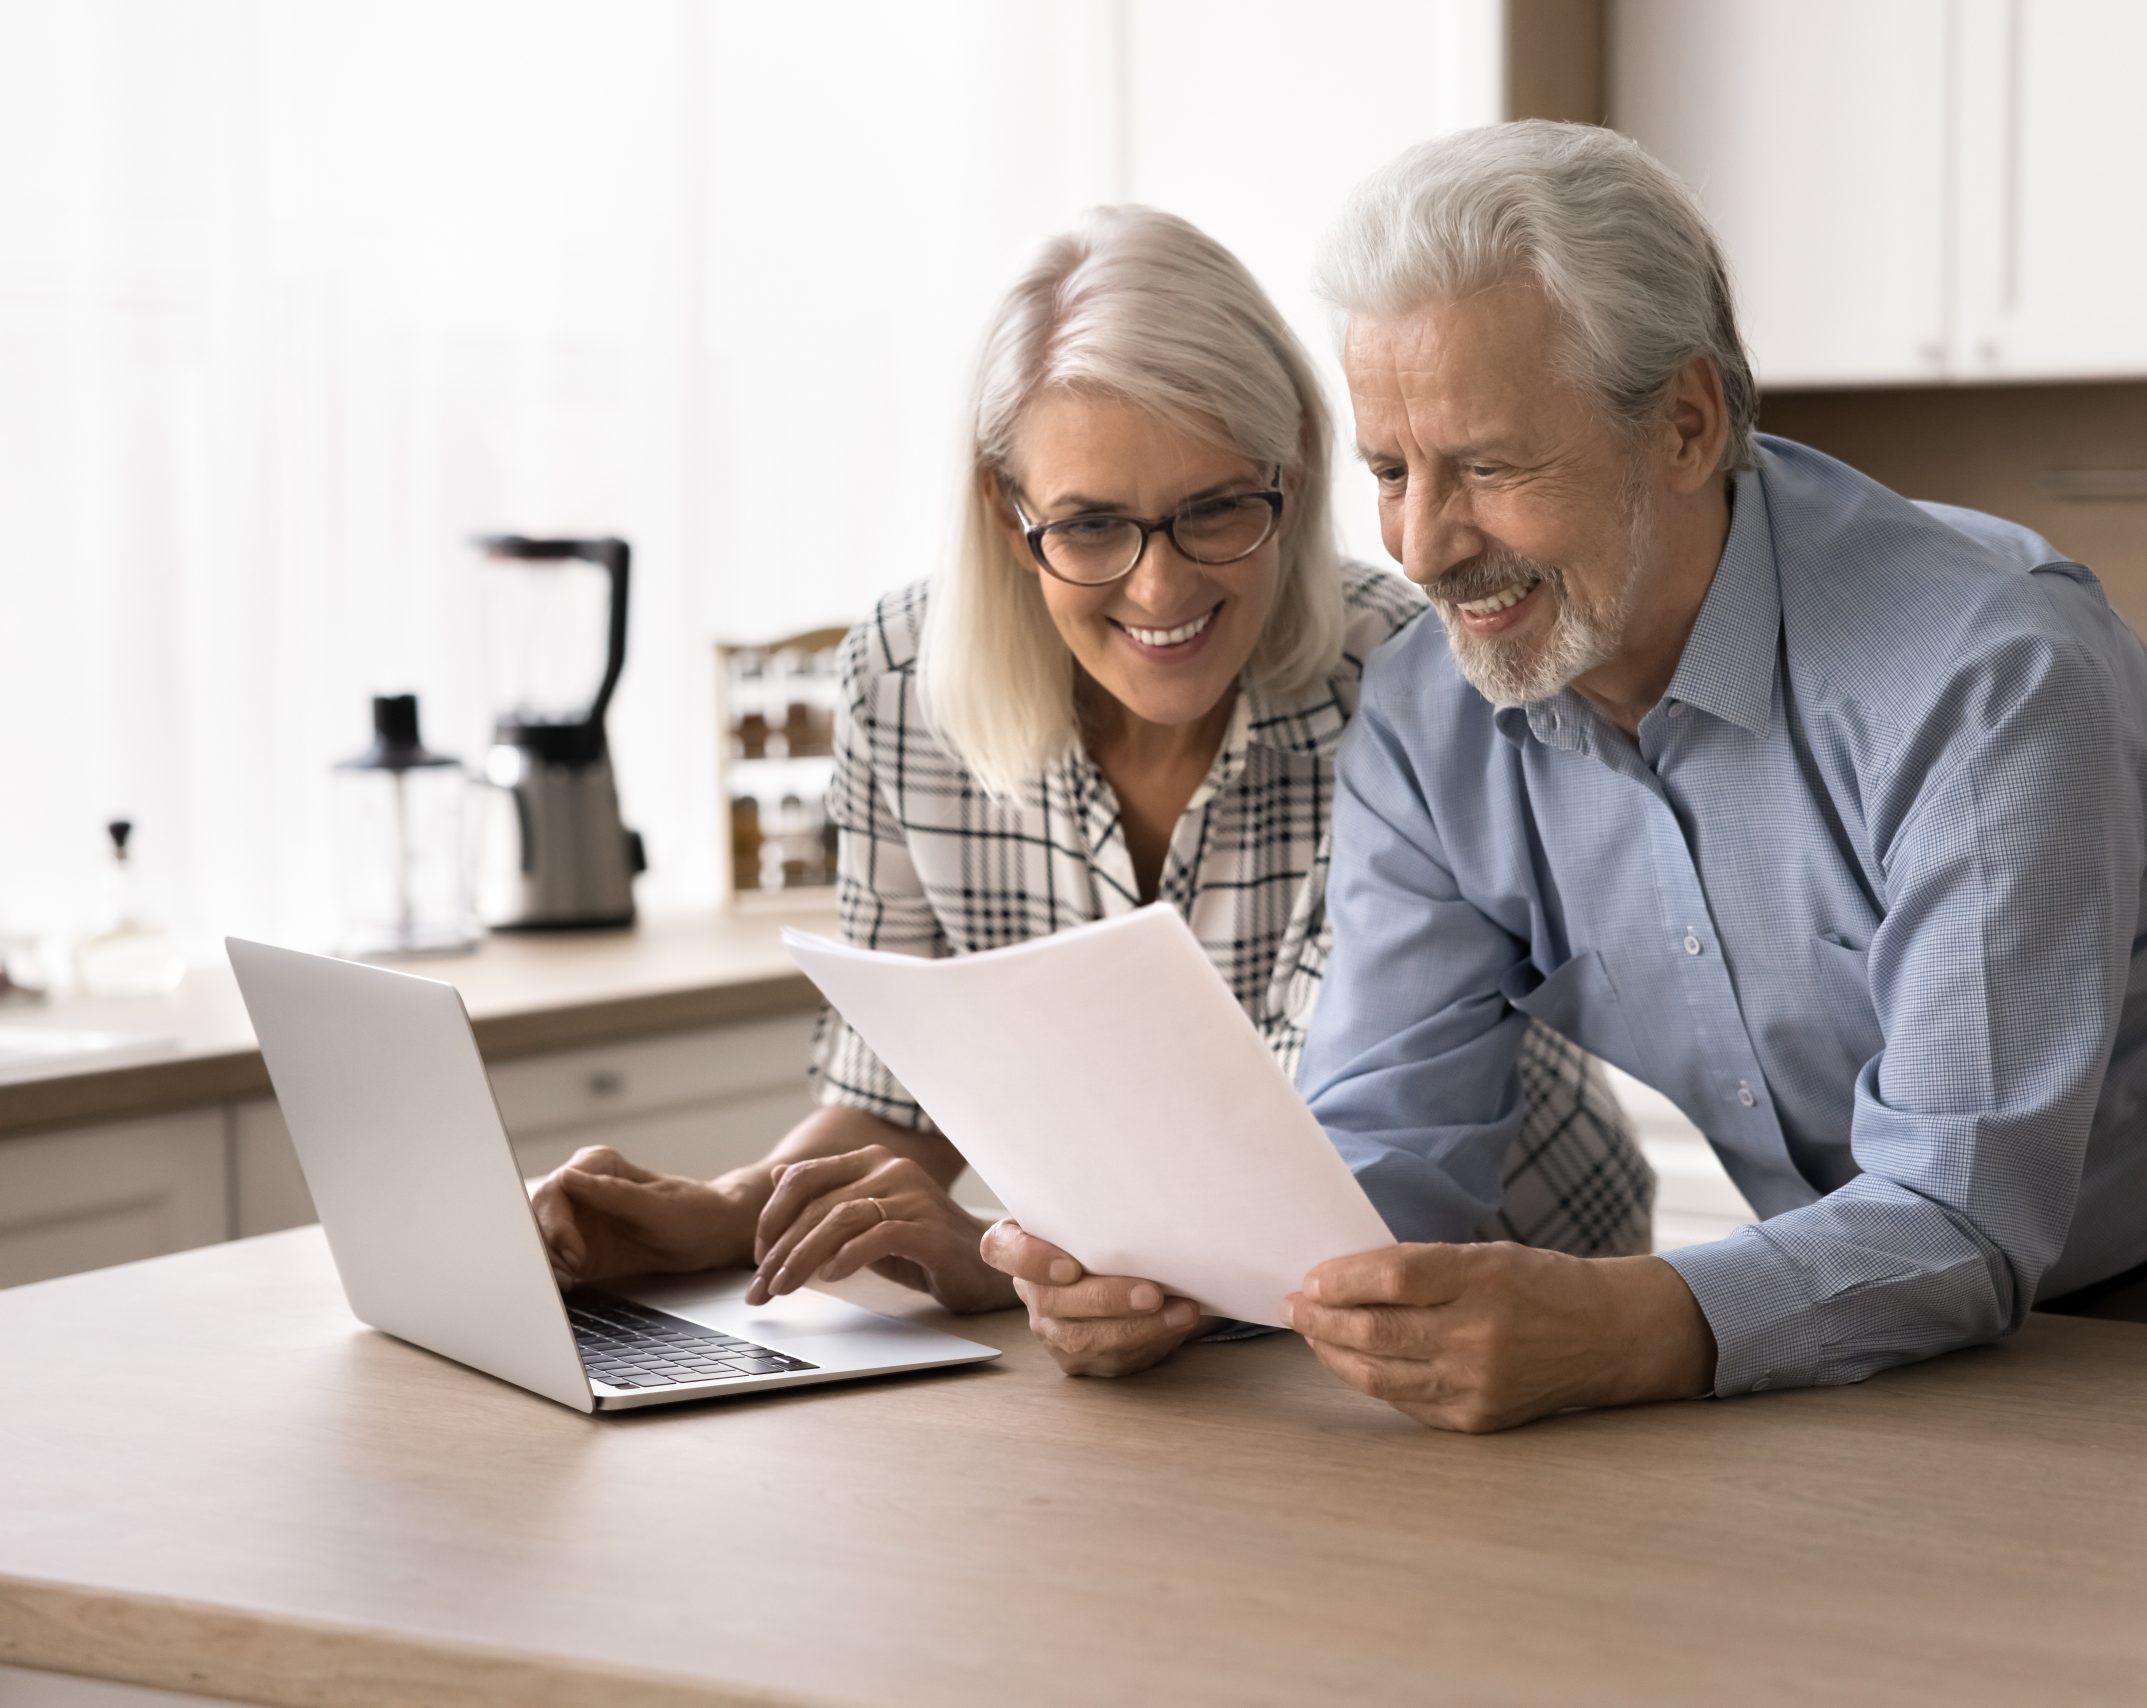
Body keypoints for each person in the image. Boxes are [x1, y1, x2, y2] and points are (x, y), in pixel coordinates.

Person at [982, 122, 2147, 1431]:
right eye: (1389, 470)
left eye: (1487, 466)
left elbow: (1961, 1206)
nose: (1422, 547)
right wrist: (1192, 1273)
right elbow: (1393, 1152)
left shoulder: (1981, 671)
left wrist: (1632, 1321)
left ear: (1684, 424)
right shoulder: (1434, 717)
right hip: (1867, 1316)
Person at [530, 205, 1649, 1367]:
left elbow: (1311, 1187)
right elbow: (899, 1101)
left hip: (1509, 1301)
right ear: (1006, 519)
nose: (1160, 588)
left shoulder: (1412, 683)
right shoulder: (901, 680)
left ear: (1296, 474)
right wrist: (722, 1216)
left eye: (1217, 508)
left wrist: (984, 1258)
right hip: (1197, 1345)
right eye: (1091, 525)